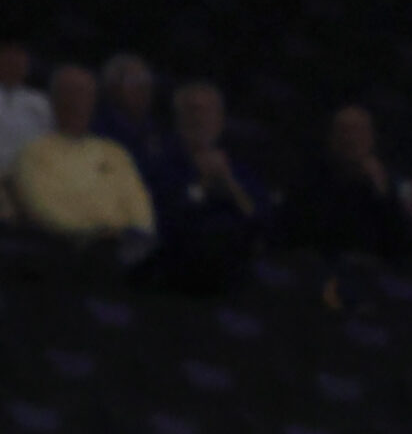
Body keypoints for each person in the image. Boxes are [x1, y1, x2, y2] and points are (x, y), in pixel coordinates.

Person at [143, 80, 271, 292]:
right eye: (192, 110)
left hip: (231, 268)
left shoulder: (239, 168)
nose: (199, 118)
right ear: (178, 118)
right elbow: (165, 215)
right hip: (175, 263)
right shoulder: (158, 161)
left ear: (220, 120)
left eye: (207, 111)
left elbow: (259, 218)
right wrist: (201, 184)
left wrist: (228, 182)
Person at [12, 63, 154, 249]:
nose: (75, 102)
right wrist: (95, 231)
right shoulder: (34, 154)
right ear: (54, 101)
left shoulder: (113, 152)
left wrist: (135, 232)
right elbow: (43, 208)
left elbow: (138, 206)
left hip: (121, 251)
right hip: (63, 251)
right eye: (68, 94)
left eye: (83, 94)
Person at [283, 103, 412, 262]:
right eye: (345, 131)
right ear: (331, 137)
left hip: (369, 272)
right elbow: (297, 231)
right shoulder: (310, 177)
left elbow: (402, 246)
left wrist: (382, 192)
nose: (351, 139)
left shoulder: (385, 184)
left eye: (359, 131)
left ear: (372, 138)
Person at [95, 50, 174, 177]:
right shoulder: (100, 130)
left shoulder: (157, 130)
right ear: (112, 87)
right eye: (134, 81)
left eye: (146, 81)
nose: (143, 88)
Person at [0, 39, 52, 196]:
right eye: (8, 61)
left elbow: (49, 143)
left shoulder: (40, 102)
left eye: (18, 63)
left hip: (31, 182)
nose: (13, 67)